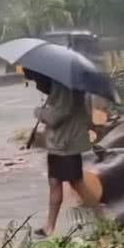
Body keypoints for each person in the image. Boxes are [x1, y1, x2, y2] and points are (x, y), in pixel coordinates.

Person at [24, 69, 101, 237]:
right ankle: (49, 227)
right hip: (60, 144)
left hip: (66, 145)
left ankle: (103, 220)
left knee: (77, 184)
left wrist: (39, 112)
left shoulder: (65, 89)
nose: (38, 86)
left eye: (37, 81)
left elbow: (56, 117)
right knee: (55, 183)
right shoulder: (63, 87)